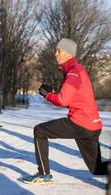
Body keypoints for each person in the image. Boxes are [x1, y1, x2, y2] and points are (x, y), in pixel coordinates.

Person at [23, 38, 109, 184]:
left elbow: (63, 100)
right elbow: (73, 97)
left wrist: (47, 95)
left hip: (81, 123)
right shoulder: (76, 70)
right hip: (93, 125)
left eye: (59, 51)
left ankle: (43, 174)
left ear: (68, 53)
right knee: (97, 168)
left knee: (40, 131)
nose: (55, 54)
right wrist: (53, 93)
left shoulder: (74, 72)